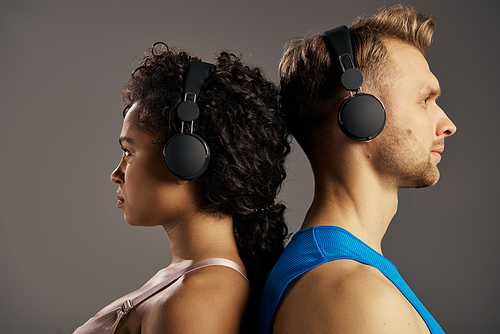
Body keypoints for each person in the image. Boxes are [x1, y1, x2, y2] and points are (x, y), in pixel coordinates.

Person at [259, 5, 456, 334]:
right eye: (425, 100)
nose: (447, 124)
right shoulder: (352, 294)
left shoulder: (345, 270)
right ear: (361, 115)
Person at [73, 43, 290, 334]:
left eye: (128, 152)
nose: (116, 174)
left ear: (185, 159)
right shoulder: (193, 281)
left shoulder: (197, 301)